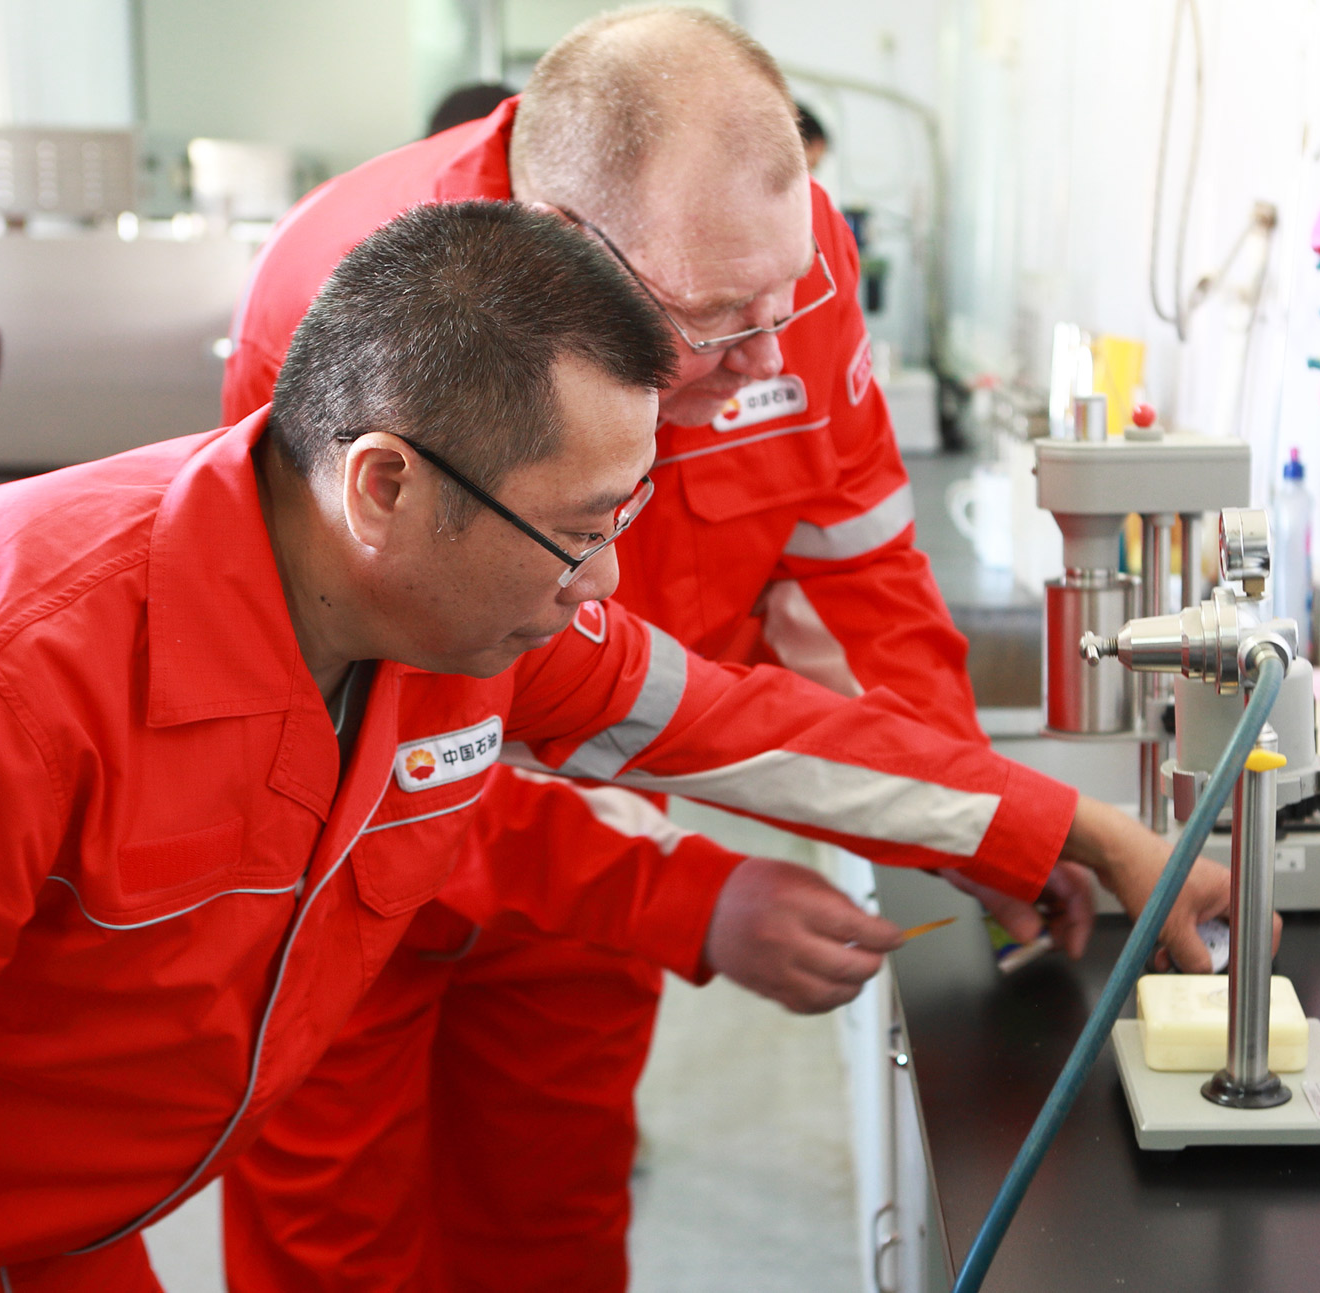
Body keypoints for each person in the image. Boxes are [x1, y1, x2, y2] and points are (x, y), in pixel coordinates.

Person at [0, 200, 1199, 1293]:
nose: (604, 582)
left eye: (627, 515)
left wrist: (1075, 831)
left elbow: (728, 720)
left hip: (67, 1212)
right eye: (581, 528)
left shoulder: (440, 601)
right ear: (385, 485)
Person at [217, 9, 1241, 1293]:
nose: (766, 354)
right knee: (337, 1257)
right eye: (711, 322)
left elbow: (859, 573)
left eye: (784, 301)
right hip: (343, 891)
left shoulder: (768, 265)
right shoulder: (364, 315)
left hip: (604, 845)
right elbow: (400, 747)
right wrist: (685, 895)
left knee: (551, 1238)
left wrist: (974, 821)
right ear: (569, 254)